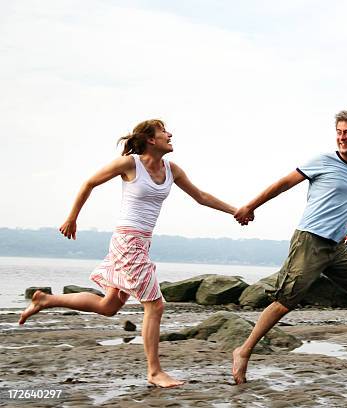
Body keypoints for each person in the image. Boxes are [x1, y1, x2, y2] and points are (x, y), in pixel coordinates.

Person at [19, 119, 239, 388]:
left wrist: (236, 210)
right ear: (150, 139)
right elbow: (90, 183)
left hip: (142, 243)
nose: (170, 135)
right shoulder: (130, 164)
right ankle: (154, 371)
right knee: (155, 305)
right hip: (127, 242)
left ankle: (46, 300)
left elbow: (201, 196)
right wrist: (72, 218)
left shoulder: (172, 169)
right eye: (163, 132)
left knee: (109, 306)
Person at [232, 108, 347, 384]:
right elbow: (284, 183)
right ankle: (244, 350)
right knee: (285, 302)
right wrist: (250, 205)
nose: (342, 138)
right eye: (339, 133)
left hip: (335, 246)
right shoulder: (322, 161)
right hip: (310, 239)